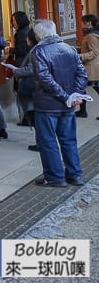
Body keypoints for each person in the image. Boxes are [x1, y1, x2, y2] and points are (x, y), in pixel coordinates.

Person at [28, 18, 88, 187]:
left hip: (48, 104)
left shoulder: (38, 51)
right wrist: (73, 94)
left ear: (38, 35)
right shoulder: (68, 48)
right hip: (67, 103)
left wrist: (65, 95)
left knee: (48, 141)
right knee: (69, 140)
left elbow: (45, 79)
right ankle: (75, 175)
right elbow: (81, 74)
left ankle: (55, 176)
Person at [7, 29, 40, 151]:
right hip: (34, 86)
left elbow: (31, 69)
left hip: (31, 86)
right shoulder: (39, 50)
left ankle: (41, 143)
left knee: (35, 117)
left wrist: (17, 71)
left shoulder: (35, 51)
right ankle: (41, 142)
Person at [8, 12, 32, 125]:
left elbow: (21, 50)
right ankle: (28, 117)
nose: (13, 24)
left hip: (21, 64)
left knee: (22, 92)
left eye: (14, 21)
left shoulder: (21, 34)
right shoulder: (28, 30)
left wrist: (10, 50)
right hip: (25, 63)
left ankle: (27, 118)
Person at [77, 14, 99, 118]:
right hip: (92, 66)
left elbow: (94, 52)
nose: (81, 24)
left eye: (83, 22)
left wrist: (80, 56)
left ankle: (82, 111)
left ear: (89, 23)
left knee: (80, 87)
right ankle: (82, 111)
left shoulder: (91, 36)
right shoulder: (91, 34)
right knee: (81, 88)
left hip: (91, 67)